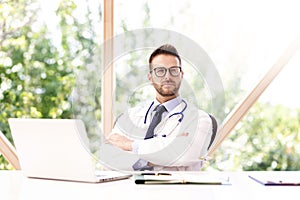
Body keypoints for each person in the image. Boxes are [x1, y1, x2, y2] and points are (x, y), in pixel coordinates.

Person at [106, 44, 213, 171]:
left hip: (176, 190)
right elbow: (109, 157)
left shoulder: (200, 119)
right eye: (160, 71)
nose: (167, 76)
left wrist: (129, 145)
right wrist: (163, 153)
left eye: (173, 70)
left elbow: (184, 153)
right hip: (129, 189)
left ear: (181, 75)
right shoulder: (130, 116)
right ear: (150, 77)